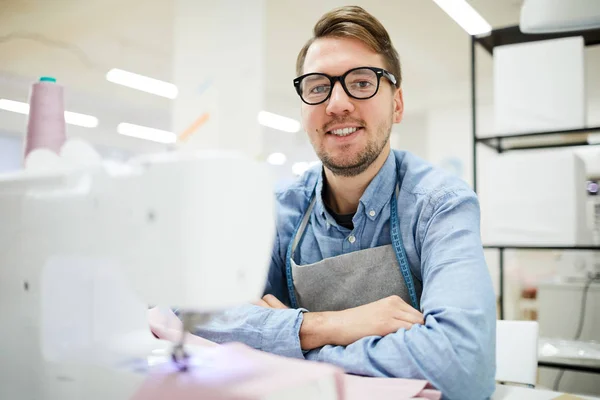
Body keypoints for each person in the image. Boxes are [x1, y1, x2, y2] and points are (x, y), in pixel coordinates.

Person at [194, 6, 496, 400]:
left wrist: (286, 342)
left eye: (361, 82)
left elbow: (460, 365)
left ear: (397, 104)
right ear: (304, 108)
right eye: (318, 86)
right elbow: (193, 312)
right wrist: (327, 325)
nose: (337, 104)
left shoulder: (440, 204)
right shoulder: (277, 209)